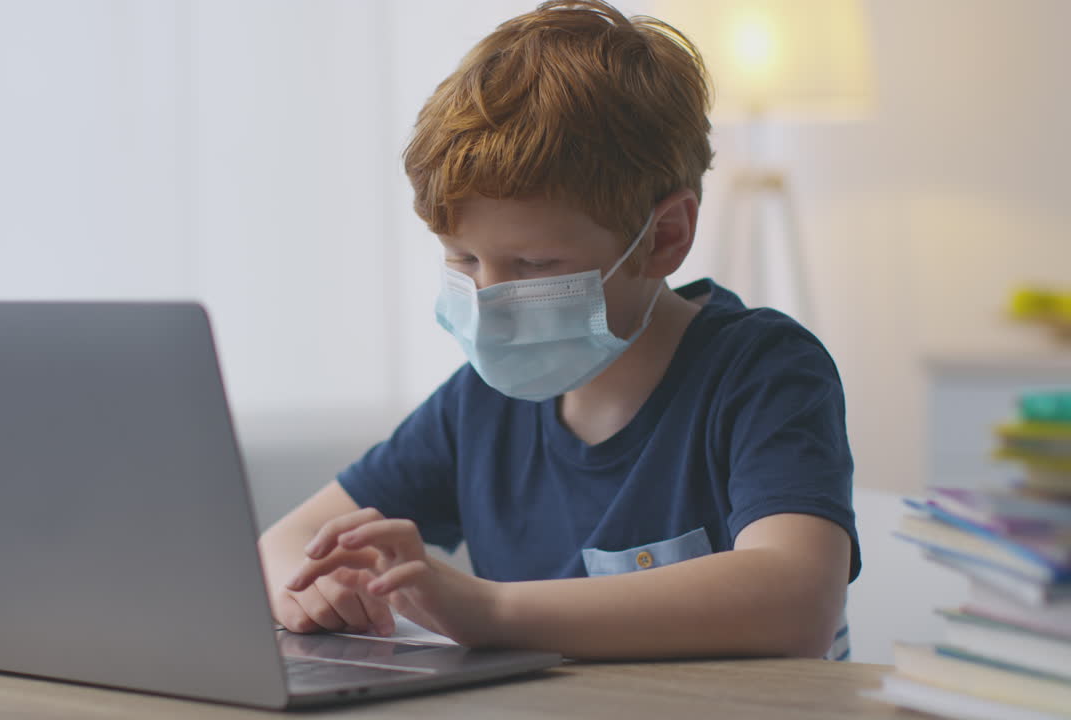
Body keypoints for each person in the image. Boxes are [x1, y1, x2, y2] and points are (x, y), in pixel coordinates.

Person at [258, 0, 859, 660]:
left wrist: (491, 609)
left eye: (534, 265)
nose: (487, 301)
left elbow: (797, 600)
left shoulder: (763, 372)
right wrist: (315, 589)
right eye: (464, 259)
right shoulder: (479, 405)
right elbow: (284, 542)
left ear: (664, 237)